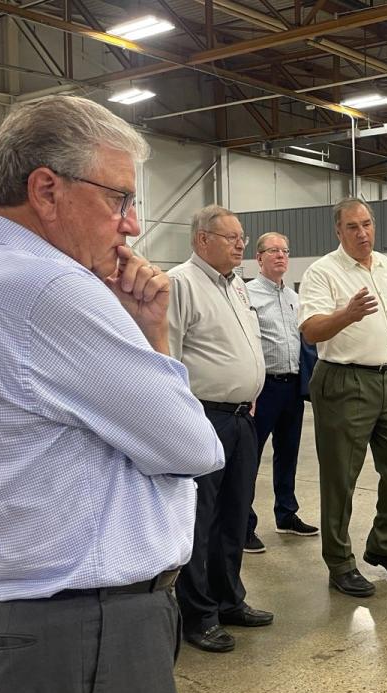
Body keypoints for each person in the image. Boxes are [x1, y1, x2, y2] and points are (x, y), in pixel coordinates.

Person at [0, 95, 224, 693]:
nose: (132, 224)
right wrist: (155, 335)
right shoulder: (52, 288)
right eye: (119, 198)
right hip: (81, 628)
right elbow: (191, 447)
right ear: (46, 190)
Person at [299, 197, 387, 598]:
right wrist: (346, 315)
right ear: (339, 231)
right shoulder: (323, 272)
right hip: (344, 381)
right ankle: (339, 563)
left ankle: (383, 544)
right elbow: (311, 331)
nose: (362, 232)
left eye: (367, 224)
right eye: (352, 226)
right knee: (341, 478)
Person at [168, 205, 273, 652]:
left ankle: (229, 599)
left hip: (241, 418)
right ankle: (198, 615)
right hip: (203, 417)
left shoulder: (237, 288)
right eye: (230, 237)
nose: (240, 244)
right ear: (201, 240)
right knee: (200, 521)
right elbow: (167, 356)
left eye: (242, 238)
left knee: (234, 514)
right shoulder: (179, 284)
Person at [243, 232, 319, 553]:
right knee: (249, 459)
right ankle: (243, 525)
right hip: (263, 389)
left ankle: (286, 514)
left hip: (292, 386)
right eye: (273, 251)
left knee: (287, 454)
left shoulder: (294, 297)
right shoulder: (246, 295)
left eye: (285, 251)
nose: (281, 256)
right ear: (259, 258)